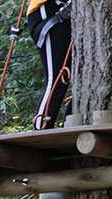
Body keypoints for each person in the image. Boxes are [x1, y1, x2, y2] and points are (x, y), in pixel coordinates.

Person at [27, 0, 72, 130]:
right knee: (56, 79)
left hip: (61, 11)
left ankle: (69, 122)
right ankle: (41, 128)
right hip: (48, 13)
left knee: (78, 76)